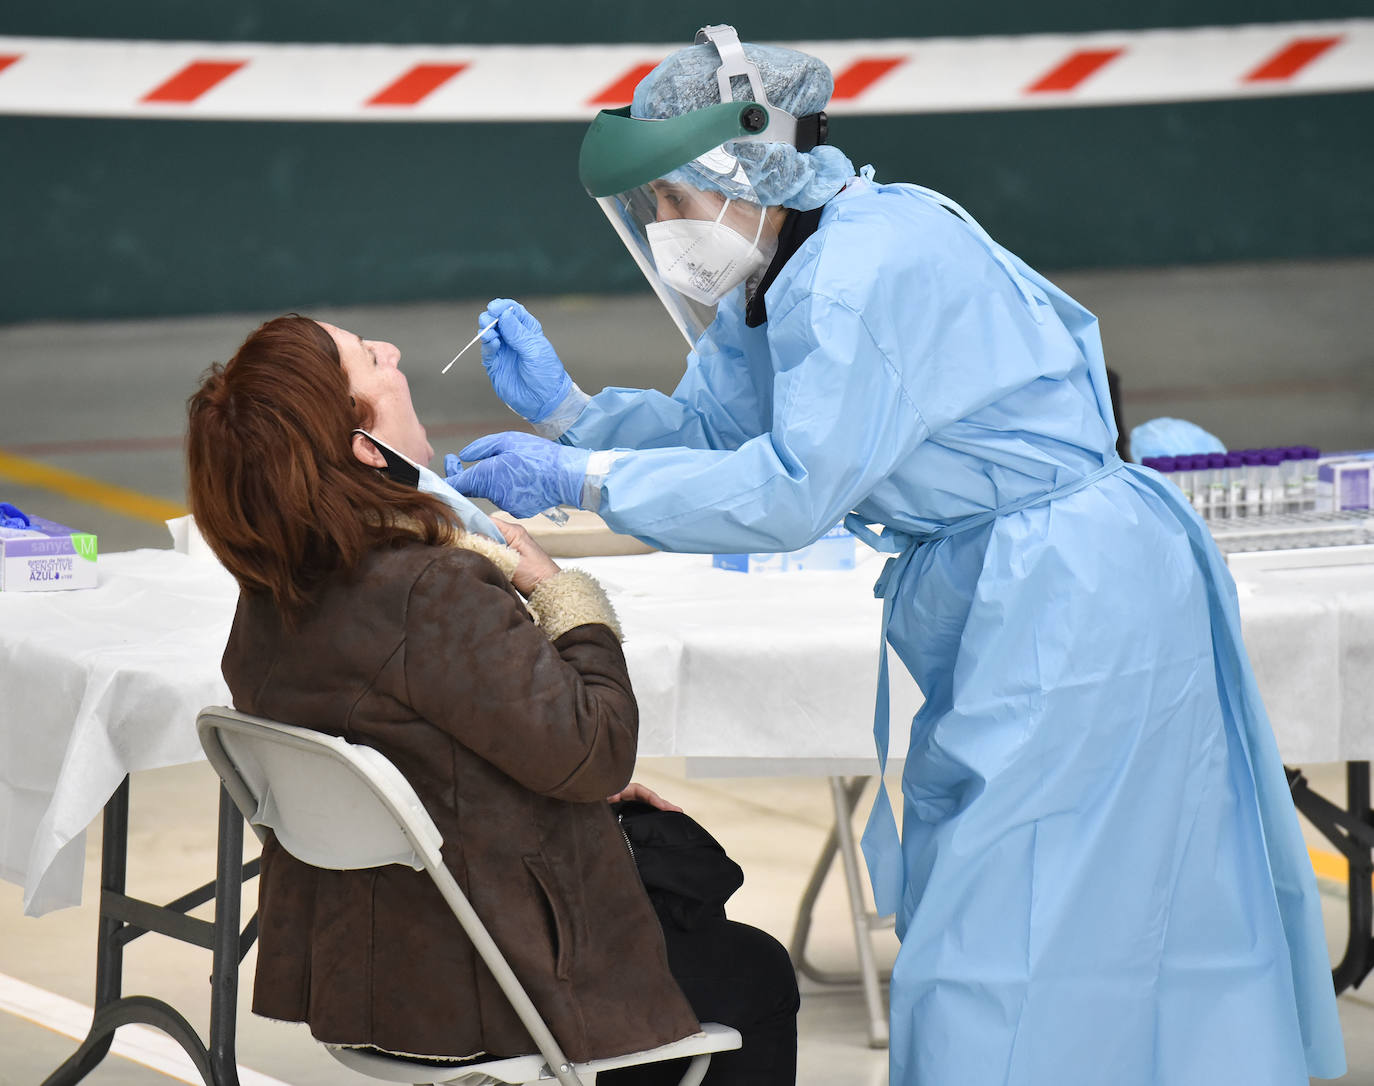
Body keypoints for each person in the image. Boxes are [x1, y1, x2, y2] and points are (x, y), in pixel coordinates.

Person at [446, 24, 1346, 1086]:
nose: (659, 226)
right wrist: (574, 414)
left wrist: (579, 481)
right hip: (1016, 592)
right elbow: (725, 435)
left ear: (744, 168)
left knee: (1009, 941)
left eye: (668, 200)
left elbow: (789, 491)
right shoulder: (781, 268)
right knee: (1041, 916)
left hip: (1075, 596)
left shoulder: (862, 269)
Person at [184, 314, 797, 1083]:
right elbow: (599, 750)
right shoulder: (432, 588)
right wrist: (558, 590)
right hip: (498, 979)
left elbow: (414, 748)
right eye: (372, 359)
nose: (395, 353)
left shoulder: (275, 590)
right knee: (756, 972)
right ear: (365, 448)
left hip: (374, 973)